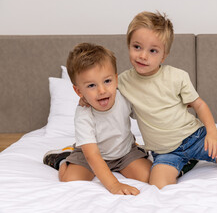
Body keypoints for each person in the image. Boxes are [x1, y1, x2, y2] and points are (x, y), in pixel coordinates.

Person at [118, 11, 217, 189]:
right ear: (128, 46)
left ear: (163, 55)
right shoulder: (122, 81)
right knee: (159, 186)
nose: (143, 56)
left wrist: (211, 134)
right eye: (137, 47)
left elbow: (199, 105)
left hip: (195, 138)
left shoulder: (176, 76)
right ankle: (185, 165)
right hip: (165, 152)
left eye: (152, 51)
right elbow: (102, 92)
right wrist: (86, 100)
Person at [43, 43, 152, 195]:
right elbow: (92, 155)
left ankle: (138, 150)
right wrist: (114, 185)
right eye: (92, 85)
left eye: (107, 81)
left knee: (148, 176)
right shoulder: (84, 114)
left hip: (124, 152)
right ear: (78, 91)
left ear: (116, 79)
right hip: (90, 155)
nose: (102, 91)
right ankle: (62, 159)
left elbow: (148, 112)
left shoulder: (124, 97)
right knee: (70, 180)